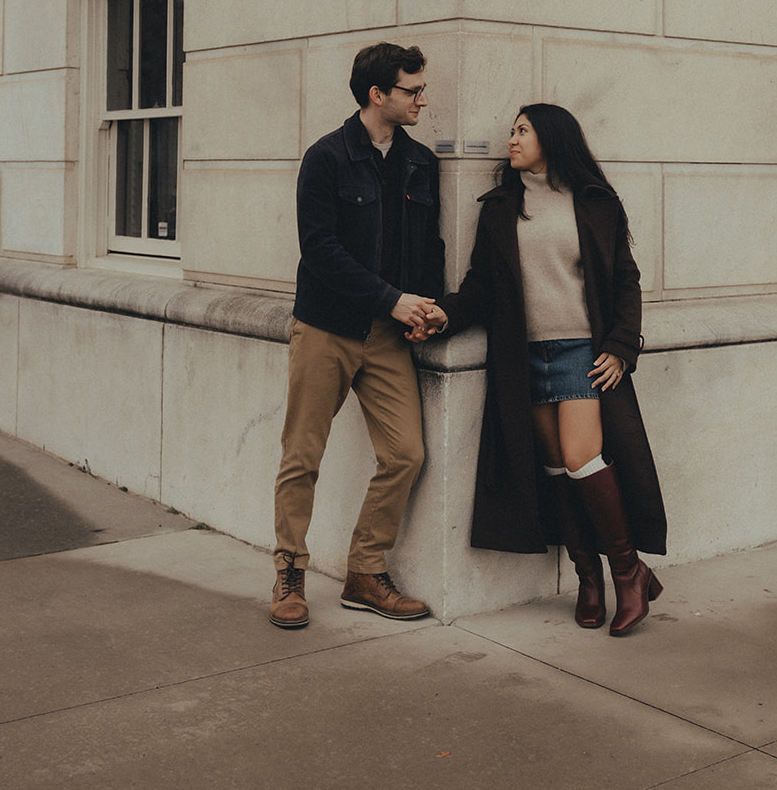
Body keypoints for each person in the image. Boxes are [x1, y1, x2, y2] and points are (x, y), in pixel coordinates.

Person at [414, 104, 666, 637]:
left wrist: (621, 346)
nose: (511, 138)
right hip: (524, 357)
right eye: (510, 130)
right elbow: (481, 286)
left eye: (522, 130)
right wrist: (443, 315)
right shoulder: (502, 206)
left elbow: (625, 279)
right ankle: (588, 580)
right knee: (555, 469)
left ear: (551, 137)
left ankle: (629, 572)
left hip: (581, 352)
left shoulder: (596, 202)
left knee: (582, 458)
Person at [269, 42, 445, 629]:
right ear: (378, 95)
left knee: (406, 454)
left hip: (391, 335)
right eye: (411, 90)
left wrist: (426, 307)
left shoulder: (421, 162)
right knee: (303, 455)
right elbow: (319, 251)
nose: (423, 99)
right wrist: (392, 300)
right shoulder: (327, 158)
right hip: (327, 327)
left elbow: (429, 248)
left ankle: (364, 573)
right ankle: (290, 570)